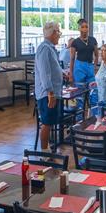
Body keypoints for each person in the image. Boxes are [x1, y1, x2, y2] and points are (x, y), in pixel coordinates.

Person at [35, 21, 65, 151]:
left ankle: (47, 149)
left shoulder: (50, 48)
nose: (60, 34)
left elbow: (52, 69)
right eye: (58, 31)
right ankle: (44, 153)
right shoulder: (44, 48)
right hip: (47, 94)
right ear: (53, 33)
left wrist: (62, 73)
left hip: (53, 92)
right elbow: (44, 73)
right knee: (46, 123)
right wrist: (50, 93)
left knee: (50, 121)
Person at [67, 18, 99, 108]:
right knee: (79, 93)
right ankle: (79, 117)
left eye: (86, 27)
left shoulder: (93, 40)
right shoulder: (75, 42)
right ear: (79, 29)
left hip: (90, 66)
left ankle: (94, 115)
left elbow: (97, 55)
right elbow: (72, 58)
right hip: (79, 67)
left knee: (94, 91)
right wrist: (71, 74)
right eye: (83, 27)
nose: (85, 29)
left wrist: (95, 67)